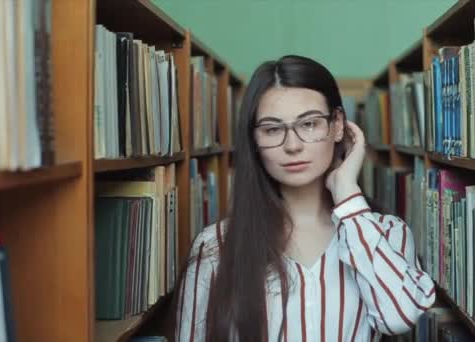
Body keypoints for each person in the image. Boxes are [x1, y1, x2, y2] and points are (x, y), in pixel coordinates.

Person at [175, 55, 435, 342]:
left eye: (309, 124)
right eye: (272, 129)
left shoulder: (388, 233)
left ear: (337, 126)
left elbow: (400, 317)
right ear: (254, 141)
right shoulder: (215, 247)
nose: (293, 145)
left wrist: (346, 189)